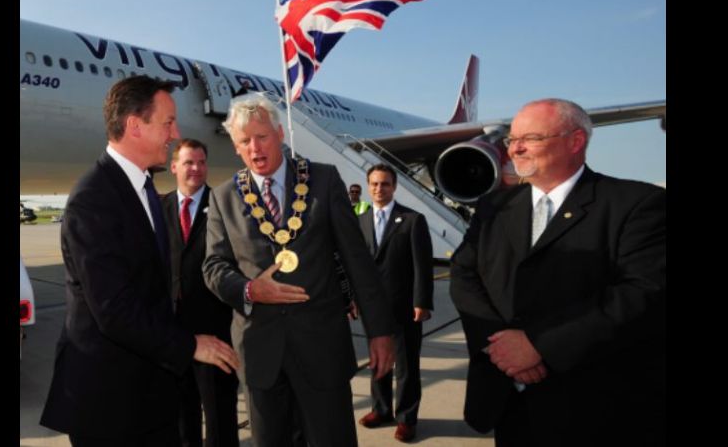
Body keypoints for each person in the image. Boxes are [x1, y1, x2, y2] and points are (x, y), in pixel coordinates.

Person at [450, 98, 665, 447]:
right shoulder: (494, 207)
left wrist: (539, 346)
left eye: (529, 138)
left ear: (575, 141)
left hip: (596, 408)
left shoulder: (636, 204)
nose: (514, 148)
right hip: (510, 399)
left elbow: (642, 294)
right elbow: (463, 275)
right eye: (511, 140)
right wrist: (502, 349)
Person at [40, 76, 239, 447]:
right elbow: (114, 310)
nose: (176, 132)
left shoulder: (144, 190)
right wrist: (191, 345)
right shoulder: (94, 199)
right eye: (168, 122)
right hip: (110, 405)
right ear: (135, 125)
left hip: (148, 394)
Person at [202, 93, 395, 447]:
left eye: (262, 136)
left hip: (321, 349)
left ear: (280, 134)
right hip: (261, 354)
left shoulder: (323, 180)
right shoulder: (223, 197)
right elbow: (214, 266)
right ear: (235, 147)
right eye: (245, 141)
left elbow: (358, 262)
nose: (255, 148)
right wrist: (248, 290)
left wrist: (380, 331)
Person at [162, 139, 239, 447]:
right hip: (172, 332)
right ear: (174, 167)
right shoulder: (159, 206)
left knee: (220, 415)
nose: (196, 169)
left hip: (216, 329)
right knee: (182, 414)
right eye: (189, 162)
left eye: (201, 162)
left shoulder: (225, 204)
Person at [356, 164, 434, 442]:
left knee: (406, 366)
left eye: (385, 184)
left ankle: (406, 418)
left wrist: (422, 302)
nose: (379, 189)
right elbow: (358, 265)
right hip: (373, 309)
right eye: (375, 184)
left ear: (395, 186)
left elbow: (422, 266)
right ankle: (381, 410)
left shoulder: (413, 220)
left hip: (404, 307)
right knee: (378, 361)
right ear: (368, 186)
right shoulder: (361, 221)